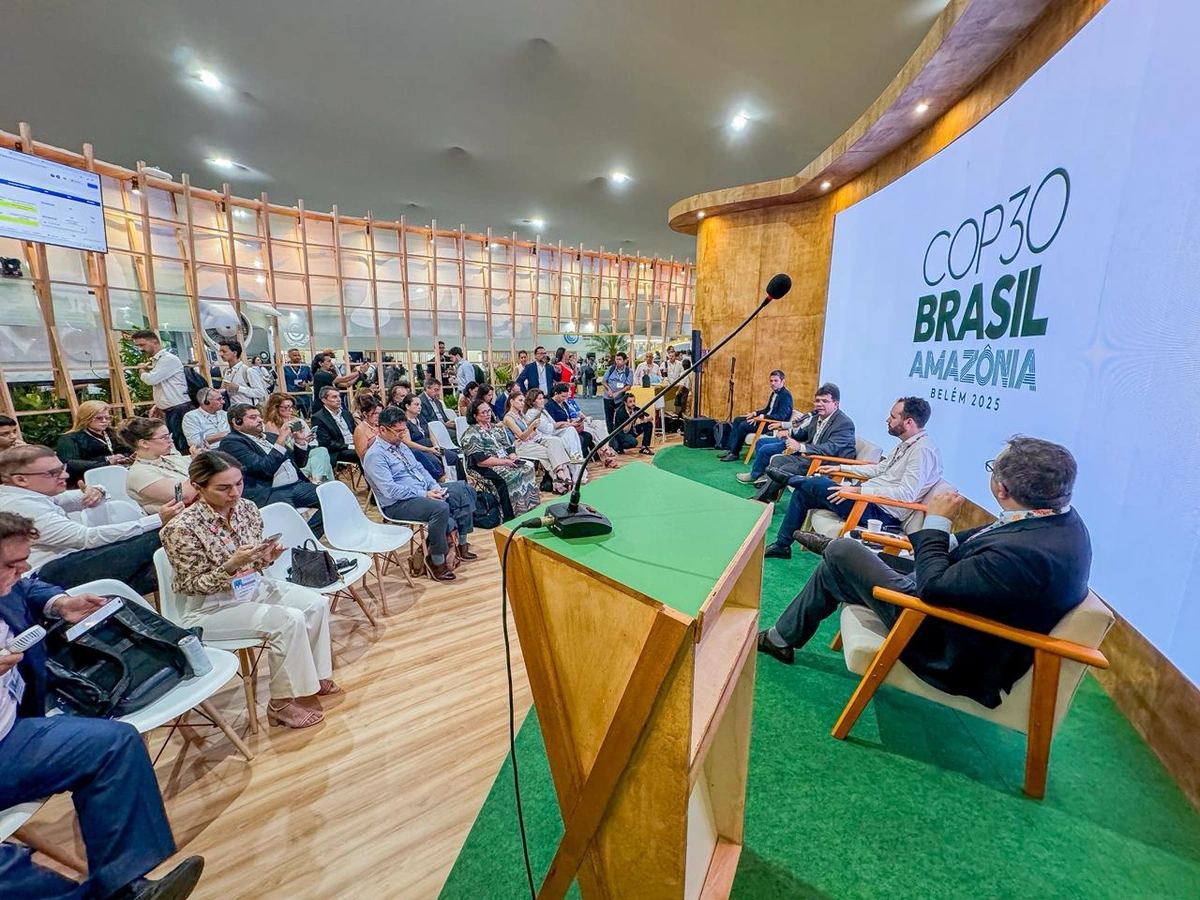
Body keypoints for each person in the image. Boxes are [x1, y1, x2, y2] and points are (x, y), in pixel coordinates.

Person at [757, 437, 1093, 711]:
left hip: (946, 643)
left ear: (1002, 489)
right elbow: (978, 545)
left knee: (844, 553)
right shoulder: (1055, 520)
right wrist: (939, 536)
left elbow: (933, 589)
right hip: (962, 605)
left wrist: (937, 521)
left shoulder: (1024, 553)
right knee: (843, 561)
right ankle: (781, 637)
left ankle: (832, 558)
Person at [0, 512, 204, 900]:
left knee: (115, 744)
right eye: (11, 564)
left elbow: (28, 587)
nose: (22, 570)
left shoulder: (9, 583)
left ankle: (125, 887)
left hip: (13, 733)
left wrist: (61, 602)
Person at [159, 452, 337, 729]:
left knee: (316, 603)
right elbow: (190, 586)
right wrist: (231, 566)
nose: (234, 493)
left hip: (249, 586)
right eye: (223, 488)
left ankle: (312, 677)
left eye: (239, 483)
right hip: (208, 606)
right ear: (198, 487)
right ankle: (281, 703)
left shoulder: (247, 509)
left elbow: (254, 563)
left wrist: (267, 557)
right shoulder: (181, 528)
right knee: (288, 620)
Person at [765, 397, 942, 560]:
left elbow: (906, 494)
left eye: (893, 417)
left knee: (820, 482)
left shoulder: (922, 451)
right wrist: (841, 468)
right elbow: (879, 469)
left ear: (909, 422)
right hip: (867, 501)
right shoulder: (906, 444)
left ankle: (789, 479)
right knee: (804, 492)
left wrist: (859, 490)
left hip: (880, 512)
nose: (888, 420)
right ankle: (782, 546)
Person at [0, 445, 182, 593]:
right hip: (48, 576)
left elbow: (84, 496)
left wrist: (98, 491)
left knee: (161, 568)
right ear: (21, 480)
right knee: (164, 536)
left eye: (62, 468)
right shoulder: (20, 505)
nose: (65, 475)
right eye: (53, 473)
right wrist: (157, 520)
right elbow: (87, 538)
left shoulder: (30, 495)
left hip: (65, 566)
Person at [363, 408, 478, 581]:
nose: (402, 435)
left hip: (422, 491)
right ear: (383, 429)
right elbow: (390, 490)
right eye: (398, 431)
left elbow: (420, 469)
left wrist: (435, 487)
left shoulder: (401, 446)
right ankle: (436, 561)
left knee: (464, 489)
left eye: (404, 430)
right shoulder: (375, 456)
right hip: (397, 503)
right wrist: (425, 494)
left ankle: (461, 543)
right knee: (440, 508)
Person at [218, 404, 324, 538]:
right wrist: (281, 440)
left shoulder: (270, 437)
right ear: (236, 422)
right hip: (271, 491)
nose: (260, 420)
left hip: (297, 485)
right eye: (253, 417)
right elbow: (264, 469)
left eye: (259, 416)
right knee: (290, 526)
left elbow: (299, 463)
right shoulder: (232, 442)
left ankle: (308, 538)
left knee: (333, 498)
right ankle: (299, 540)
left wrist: (300, 442)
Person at [738, 382, 857, 486]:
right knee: (777, 461)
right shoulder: (816, 417)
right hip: (810, 456)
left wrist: (800, 447)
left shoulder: (844, 423)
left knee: (784, 469)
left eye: (825, 401)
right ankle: (765, 494)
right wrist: (791, 431)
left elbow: (830, 448)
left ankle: (762, 497)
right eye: (817, 401)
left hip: (826, 462)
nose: (819, 404)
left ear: (836, 404)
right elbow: (803, 434)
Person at [460, 399, 540, 521]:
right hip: (483, 466)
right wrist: (505, 462)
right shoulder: (471, 434)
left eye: (488, 411)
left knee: (527, 469)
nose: (488, 414)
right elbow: (480, 460)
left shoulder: (496, 428)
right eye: (483, 412)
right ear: (475, 416)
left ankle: (528, 508)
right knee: (510, 477)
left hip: (504, 460)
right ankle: (510, 516)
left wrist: (513, 456)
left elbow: (508, 447)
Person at [131, 329, 192, 453]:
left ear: (155, 342)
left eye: (142, 345)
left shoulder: (168, 359)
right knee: (175, 443)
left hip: (178, 408)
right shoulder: (157, 360)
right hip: (171, 409)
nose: (140, 349)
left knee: (182, 444)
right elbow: (162, 386)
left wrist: (142, 371)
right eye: (138, 346)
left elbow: (152, 379)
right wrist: (158, 405)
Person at [121, 417, 198, 515]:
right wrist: (200, 464)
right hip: (181, 518)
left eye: (169, 436)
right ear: (144, 443)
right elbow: (185, 496)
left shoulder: (169, 458)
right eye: (164, 437)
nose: (171, 441)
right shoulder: (139, 473)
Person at [504, 390, 575, 493]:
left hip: (531, 442)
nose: (523, 403)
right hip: (520, 446)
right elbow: (522, 436)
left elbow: (532, 433)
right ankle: (561, 477)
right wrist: (532, 427)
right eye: (520, 400)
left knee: (555, 444)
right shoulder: (508, 418)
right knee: (549, 452)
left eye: (523, 401)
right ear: (511, 401)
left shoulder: (521, 415)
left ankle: (559, 479)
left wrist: (529, 432)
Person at [717, 370, 795, 461]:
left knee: (743, 426)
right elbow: (767, 410)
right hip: (765, 421)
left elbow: (781, 417)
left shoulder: (786, 396)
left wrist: (762, 418)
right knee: (737, 420)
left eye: (776, 381)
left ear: (783, 381)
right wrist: (754, 413)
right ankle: (731, 449)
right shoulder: (774, 393)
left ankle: (735, 453)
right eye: (771, 381)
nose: (773, 383)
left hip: (772, 425)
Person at [56, 400, 133, 488]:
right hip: (88, 482)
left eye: (107, 418)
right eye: (99, 418)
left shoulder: (114, 433)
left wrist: (127, 458)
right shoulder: (70, 438)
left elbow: (128, 450)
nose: (104, 421)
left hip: (119, 477)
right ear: (86, 418)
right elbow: (69, 464)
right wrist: (106, 461)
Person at [264, 393, 334, 484]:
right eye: (286, 407)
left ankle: (317, 481)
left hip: (303, 457)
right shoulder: (270, 425)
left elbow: (308, 444)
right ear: (275, 408)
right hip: (289, 461)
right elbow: (277, 449)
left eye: (291, 407)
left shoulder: (297, 421)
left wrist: (305, 440)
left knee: (321, 451)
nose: (290, 410)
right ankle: (319, 483)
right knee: (325, 464)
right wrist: (285, 434)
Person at [529, 388, 587, 486]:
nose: (542, 401)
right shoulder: (532, 413)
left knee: (571, 430)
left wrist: (565, 424)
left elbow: (552, 423)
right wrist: (560, 424)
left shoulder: (543, 410)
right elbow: (547, 429)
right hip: (545, 437)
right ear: (533, 401)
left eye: (542, 398)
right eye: (539, 399)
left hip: (553, 432)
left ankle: (576, 458)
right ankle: (575, 465)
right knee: (568, 437)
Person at [399, 392, 452, 480]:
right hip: (419, 449)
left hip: (430, 446)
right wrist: (428, 449)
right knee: (434, 461)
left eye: (420, 405)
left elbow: (431, 434)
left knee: (452, 456)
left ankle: (458, 479)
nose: (419, 407)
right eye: (416, 404)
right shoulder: (404, 422)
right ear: (407, 406)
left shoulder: (421, 418)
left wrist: (436, 445)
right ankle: (441, 481)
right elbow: (408, 443)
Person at [311, 387, 361, 467]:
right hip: (337, 451)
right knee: (363, 453)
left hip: (355, 444)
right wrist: (349, 446)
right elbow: (326, 442)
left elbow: (355, 431)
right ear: (324, 400)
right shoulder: (318, 417)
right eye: (334, 397)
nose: (339, 399)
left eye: (339, 396)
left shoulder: (346, 414)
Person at [218, 340, 269, 408]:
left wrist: (239, 388)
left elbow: (260, 392)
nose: (221, 354)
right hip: (232, 409)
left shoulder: (248, 371)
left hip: (248, 409)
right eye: (220, 351)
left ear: (235, 353)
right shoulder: (226, 371)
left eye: (224, 351)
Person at [182, 387, 231, 455]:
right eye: (219, 399)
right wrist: (222, 435)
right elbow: (194, 442)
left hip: (230, 447)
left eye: (222, 398)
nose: (223, 402)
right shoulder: (191, 417)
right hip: (209, 451)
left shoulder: (224, 414)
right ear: (206, 402)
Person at [601, 352, 634, 432]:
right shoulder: (611, 369)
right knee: (609, 417)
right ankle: (610, 435)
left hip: (620, 398)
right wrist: (609, 389)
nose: (617, 361)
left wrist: (618, 392)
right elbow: (603, 381)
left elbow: (629, 386)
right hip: (608, 397)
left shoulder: (628, 371)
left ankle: (619, 433)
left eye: (620, 359)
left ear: (625, 361)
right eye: (616, 359)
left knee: (620, 416)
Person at [282, 348, 313, 415]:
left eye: (299, 355)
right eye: (295, 355)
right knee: (293, 416)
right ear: (289, 356)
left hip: (305, 397)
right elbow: (280, 382)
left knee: (308, 416)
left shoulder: (306, 367)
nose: (297, 357)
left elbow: (313, 381)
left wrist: (306, 384)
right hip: (291, 396)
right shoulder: (284, 368)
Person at [353, 395, 382, 460]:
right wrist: (378, 439)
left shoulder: (382, 425)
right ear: (365, 414)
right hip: (372, 460)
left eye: (381, 413)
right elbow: (363, 456)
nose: (379, 416)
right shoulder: (360, 429)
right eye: (375, 413)